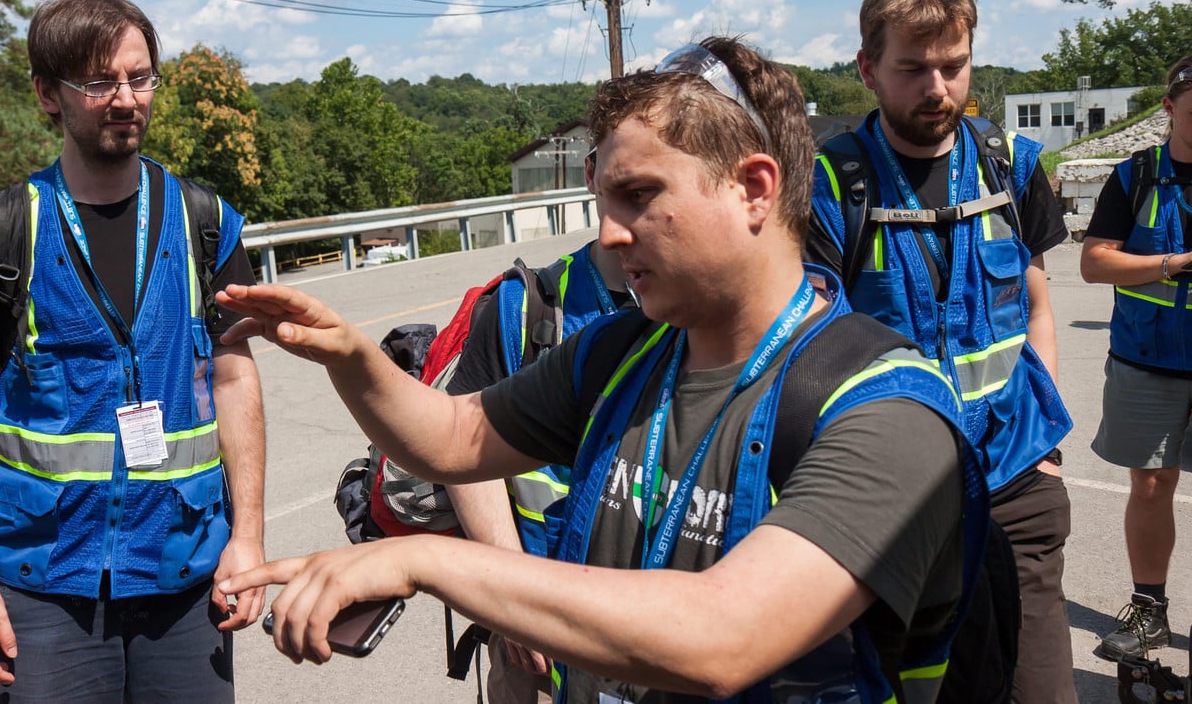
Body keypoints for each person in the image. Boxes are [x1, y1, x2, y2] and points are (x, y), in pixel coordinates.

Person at [216, 37, 988, 703]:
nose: (609, 235)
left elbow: (725, 637)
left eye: (638, 197)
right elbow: (450, 438)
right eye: (602, 201)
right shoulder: (626, 350)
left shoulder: (888, 410)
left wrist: (422, 558)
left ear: (754, 188)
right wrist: (349, 355)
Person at [0, 0, 267, 702]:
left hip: (185, 579)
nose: (125, 99)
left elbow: (235, 382)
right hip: (43, 592)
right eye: (99, 82)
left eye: (139, 78)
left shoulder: (209, 225)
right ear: (48, 94)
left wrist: (250, 537)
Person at [805, 0, 1075, 703]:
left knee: (1039, 692)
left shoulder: (1012, 167)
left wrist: (1045, 452)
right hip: (893, 497)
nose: (937, 89)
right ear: (867, 68)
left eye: (953, 67)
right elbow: (808, 348)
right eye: (912, 69)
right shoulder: (829, 186)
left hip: (1016, 476)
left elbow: (1038, 305)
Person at [445, 148, 632, 704]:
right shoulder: (523, 306)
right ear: (592, 173)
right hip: (535, 636)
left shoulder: (713, 313)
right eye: (623, 179)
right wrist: (511, 606)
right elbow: (463, 454)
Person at [1079, 53, 1192, 662]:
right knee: (1150, 485)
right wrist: (1175, 263)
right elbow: (1095, 263)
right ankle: (1150, 611)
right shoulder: (1136, 175)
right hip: (1146, 362)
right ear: (1169, 110)